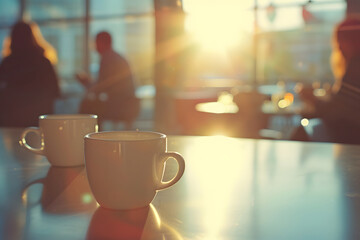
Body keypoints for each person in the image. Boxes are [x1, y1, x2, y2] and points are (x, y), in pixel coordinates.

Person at [293, 18, 360, 144]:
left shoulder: (355, 66)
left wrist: (312, 98)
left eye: (340, 41)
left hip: (353, 140)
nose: (339, 47)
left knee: (304, 129)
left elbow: (338, 112)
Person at [0, 21, 60, 127]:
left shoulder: (7, 63)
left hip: (11, 117)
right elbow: (55, 90)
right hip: (38, 116)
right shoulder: (43, 62)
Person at [77, 31, 138, 129]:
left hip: (121, 105)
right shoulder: (115, 56)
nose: (94, 46)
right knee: (92, 106)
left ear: (101, 43)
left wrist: (86, 82)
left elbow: (100, 87)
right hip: (129, 104)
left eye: (95, 43)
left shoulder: (107, 58)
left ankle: (89, 137)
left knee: (87, 107)